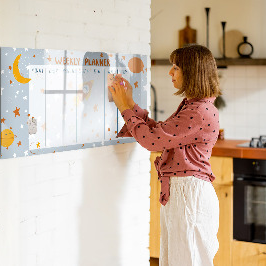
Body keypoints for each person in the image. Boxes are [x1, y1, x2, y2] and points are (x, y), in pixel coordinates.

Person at [109, 44, 221, 266]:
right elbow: (160, 133)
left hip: (189, 195)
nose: (170, 72)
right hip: (184, 193)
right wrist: (131, 104)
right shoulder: (194, 106)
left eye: (176, 67)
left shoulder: (198, 111)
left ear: (192, 72)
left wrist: (124, 108)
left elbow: (152, 141)